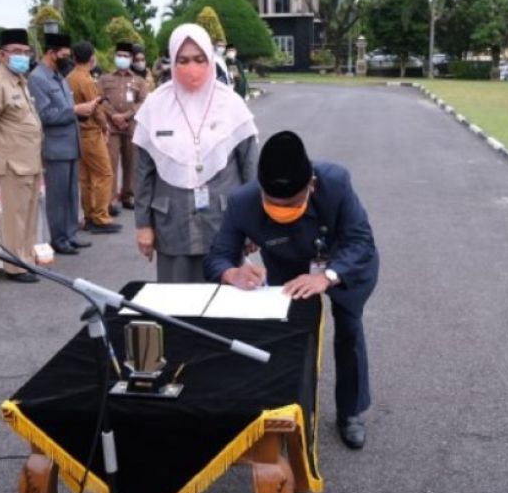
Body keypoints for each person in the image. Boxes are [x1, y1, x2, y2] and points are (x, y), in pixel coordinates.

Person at [205, 131, 379, 450]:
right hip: (286, 265)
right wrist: (231, 272)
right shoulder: (243, 202)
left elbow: (360, 242)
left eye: (292, 203)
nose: (281, 210)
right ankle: (289, 409)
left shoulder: (336, 183)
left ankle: (350, 412)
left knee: (349, 330)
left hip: (340, 264)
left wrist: (327, 276)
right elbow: (218, 255)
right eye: (272, 204)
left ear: (311, 185)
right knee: (291, 337)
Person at [133, 23, 257, 283]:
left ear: (211, 60)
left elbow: (250, 170)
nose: (192, 68)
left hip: (223, 223)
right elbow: (143, 173)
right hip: (172, 225)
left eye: (200, 59)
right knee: (176, 307)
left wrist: (252, 226)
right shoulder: (155, 105)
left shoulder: (231, 104)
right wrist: (143, 225)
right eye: (184, 60)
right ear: (172, 61)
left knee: (223, 306)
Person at [0, 28, 44, 283]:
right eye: (16, 52)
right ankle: (15, 266)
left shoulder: (19, 80)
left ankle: (26, 259)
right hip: (13, 162)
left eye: (26, 52)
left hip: (30, 161)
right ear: (3, 55)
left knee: (28, 215)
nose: (22, 56)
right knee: (15, 217)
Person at [28, 32, 97, 256]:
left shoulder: (58, 76)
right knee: (57, 196)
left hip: (70, 144)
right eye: (64, 55)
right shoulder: (38, 78)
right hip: (55, 146)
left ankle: (70, 234)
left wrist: (83, 111)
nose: (68, 59)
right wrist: (76, 110)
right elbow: (46, 114)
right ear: (51, 53)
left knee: (70, 193)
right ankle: (58, 238)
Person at [66, 41, 121, 234]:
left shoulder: (70, 77)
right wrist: (105, 126)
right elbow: (95, 108)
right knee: (105, 173)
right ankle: (100, 217)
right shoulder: (86, 80)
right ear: (92, 58)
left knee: (86, 177)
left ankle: (90, 215)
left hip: (77, 132)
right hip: (91, 132)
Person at [100, 41, 149, 214]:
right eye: (119, 55)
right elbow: (101, 99)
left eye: (126, 56)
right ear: (114, 57)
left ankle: (128, 195)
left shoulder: (139, 81)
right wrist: (113, 115)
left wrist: (126, 116)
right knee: (111, 163)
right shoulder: (105, 79)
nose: (122, 59)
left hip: (131, 126)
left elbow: (142, 101)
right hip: (111, 127)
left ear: (131, 59)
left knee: (131, 163)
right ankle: (111, 199)